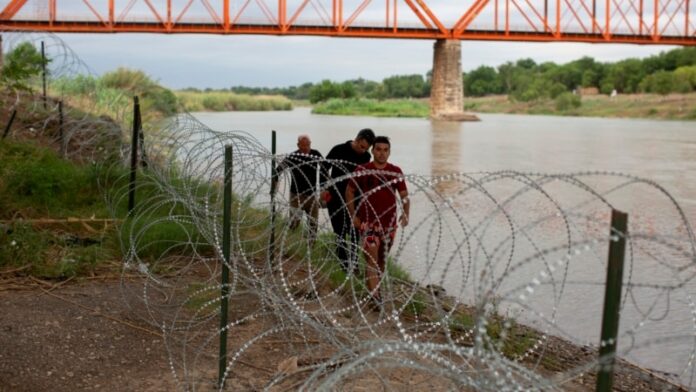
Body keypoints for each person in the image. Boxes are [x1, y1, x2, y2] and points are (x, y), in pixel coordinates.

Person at [345, 136, 409, 306]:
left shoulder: (395, 171)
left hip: (388, 224)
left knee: (381, 259)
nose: (381, 153)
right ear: (372, 151)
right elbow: (349, 192)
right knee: (371, 258)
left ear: (389, 152)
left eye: (385, 150)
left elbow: (404, 196)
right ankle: (375, 297)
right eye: (378, 149)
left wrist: (406, 213)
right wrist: (354, 215)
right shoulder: (363, 169)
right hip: (368, 223)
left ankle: (375, 291)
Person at [322, 128, 376, 272]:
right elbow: (323, 168)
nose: (363, 150)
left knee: (355, 232)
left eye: (367, 148)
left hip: (355, 200)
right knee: (339, 232)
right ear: (357, 140)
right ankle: (344, 266)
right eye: (362, 146)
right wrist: (325, 188)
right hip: (336, 198)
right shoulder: (338, 149)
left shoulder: (366, 156)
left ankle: (354, 262)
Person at [277, 134, 324, 245]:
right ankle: (288, 243)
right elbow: (278, 170)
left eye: (308, 145)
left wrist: (324, 188)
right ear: (298, 145)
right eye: (303, 146)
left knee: (313, 223)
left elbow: (325, 169)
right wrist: (274, 187)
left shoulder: (315, 154)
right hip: (296, 196)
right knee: (294, 222)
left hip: (312, 196)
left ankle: (311, 246)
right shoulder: (293, 156)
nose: (306, 148)